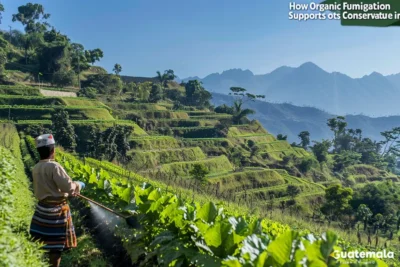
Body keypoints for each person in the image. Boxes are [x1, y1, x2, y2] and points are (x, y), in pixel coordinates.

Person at [29, 134, 85, 267]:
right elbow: (68, 187)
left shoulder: (36, 168)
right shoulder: (54, 167)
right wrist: (78, 185)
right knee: (56, 246)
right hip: (56, 212)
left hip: (42, 209)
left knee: (42, 241)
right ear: (53, 150)